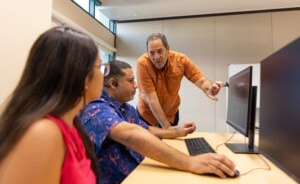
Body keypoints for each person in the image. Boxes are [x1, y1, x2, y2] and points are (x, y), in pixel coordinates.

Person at [79, 60, 236, 184]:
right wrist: (190, 162)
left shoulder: (124, 107)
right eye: (131, 80)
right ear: (113, 83)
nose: (136, 85)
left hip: (140, 171)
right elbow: (131, 134)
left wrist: (176, 131)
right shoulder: (95, 108)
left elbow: (145, 129)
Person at [0, 27, 108, 184]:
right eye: (100, 67)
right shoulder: (43, 133)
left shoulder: (73, 126)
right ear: (83, 76)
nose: (103, 74)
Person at [137, 33, 225, 128]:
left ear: (168, 49)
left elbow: (202, 81)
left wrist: (209, 89)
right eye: (152, 53)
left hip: (170, 115)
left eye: (160, 51)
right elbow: (151, 99)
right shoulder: (143, 63)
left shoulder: (181, 60)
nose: (156, 57)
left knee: (171, 143)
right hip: (147, 115)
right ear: (147, 52)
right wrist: (168, 129)